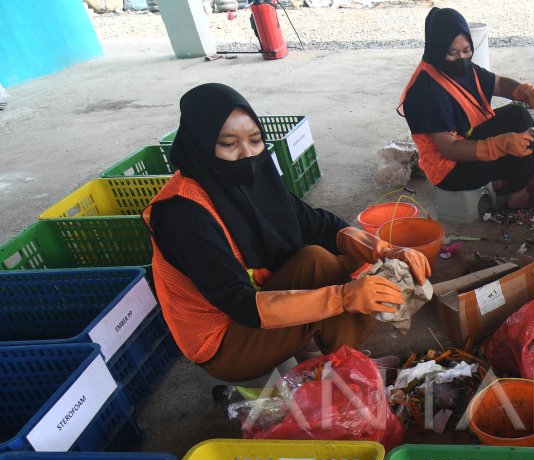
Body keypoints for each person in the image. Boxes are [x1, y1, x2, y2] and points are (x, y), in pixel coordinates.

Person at [144, 84, 430, 383]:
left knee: (319, 259)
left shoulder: (250, 180)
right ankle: (344, 376)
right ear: (201, 145)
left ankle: (341, 359)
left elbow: (316, 223)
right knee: (334, 280)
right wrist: (343, 297)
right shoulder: (182, 214)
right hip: (224, 341)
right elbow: (241, 305)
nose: (248, 154)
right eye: (229, 144)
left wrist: (386, 250)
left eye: (255, 140)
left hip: (258, 302)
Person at [399, 7, 534, 208]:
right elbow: (449, 149)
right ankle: (517, 195)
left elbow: (497, 83)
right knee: (513, 137)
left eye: (466, 50)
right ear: (437, 49)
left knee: (518, 115)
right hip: (451, 169)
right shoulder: (426, 89)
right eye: (452, 52)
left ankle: (508, 184)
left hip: (468, 139)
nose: (461, 58)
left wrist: (528, 92)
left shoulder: (461, 68)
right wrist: (501, 145)